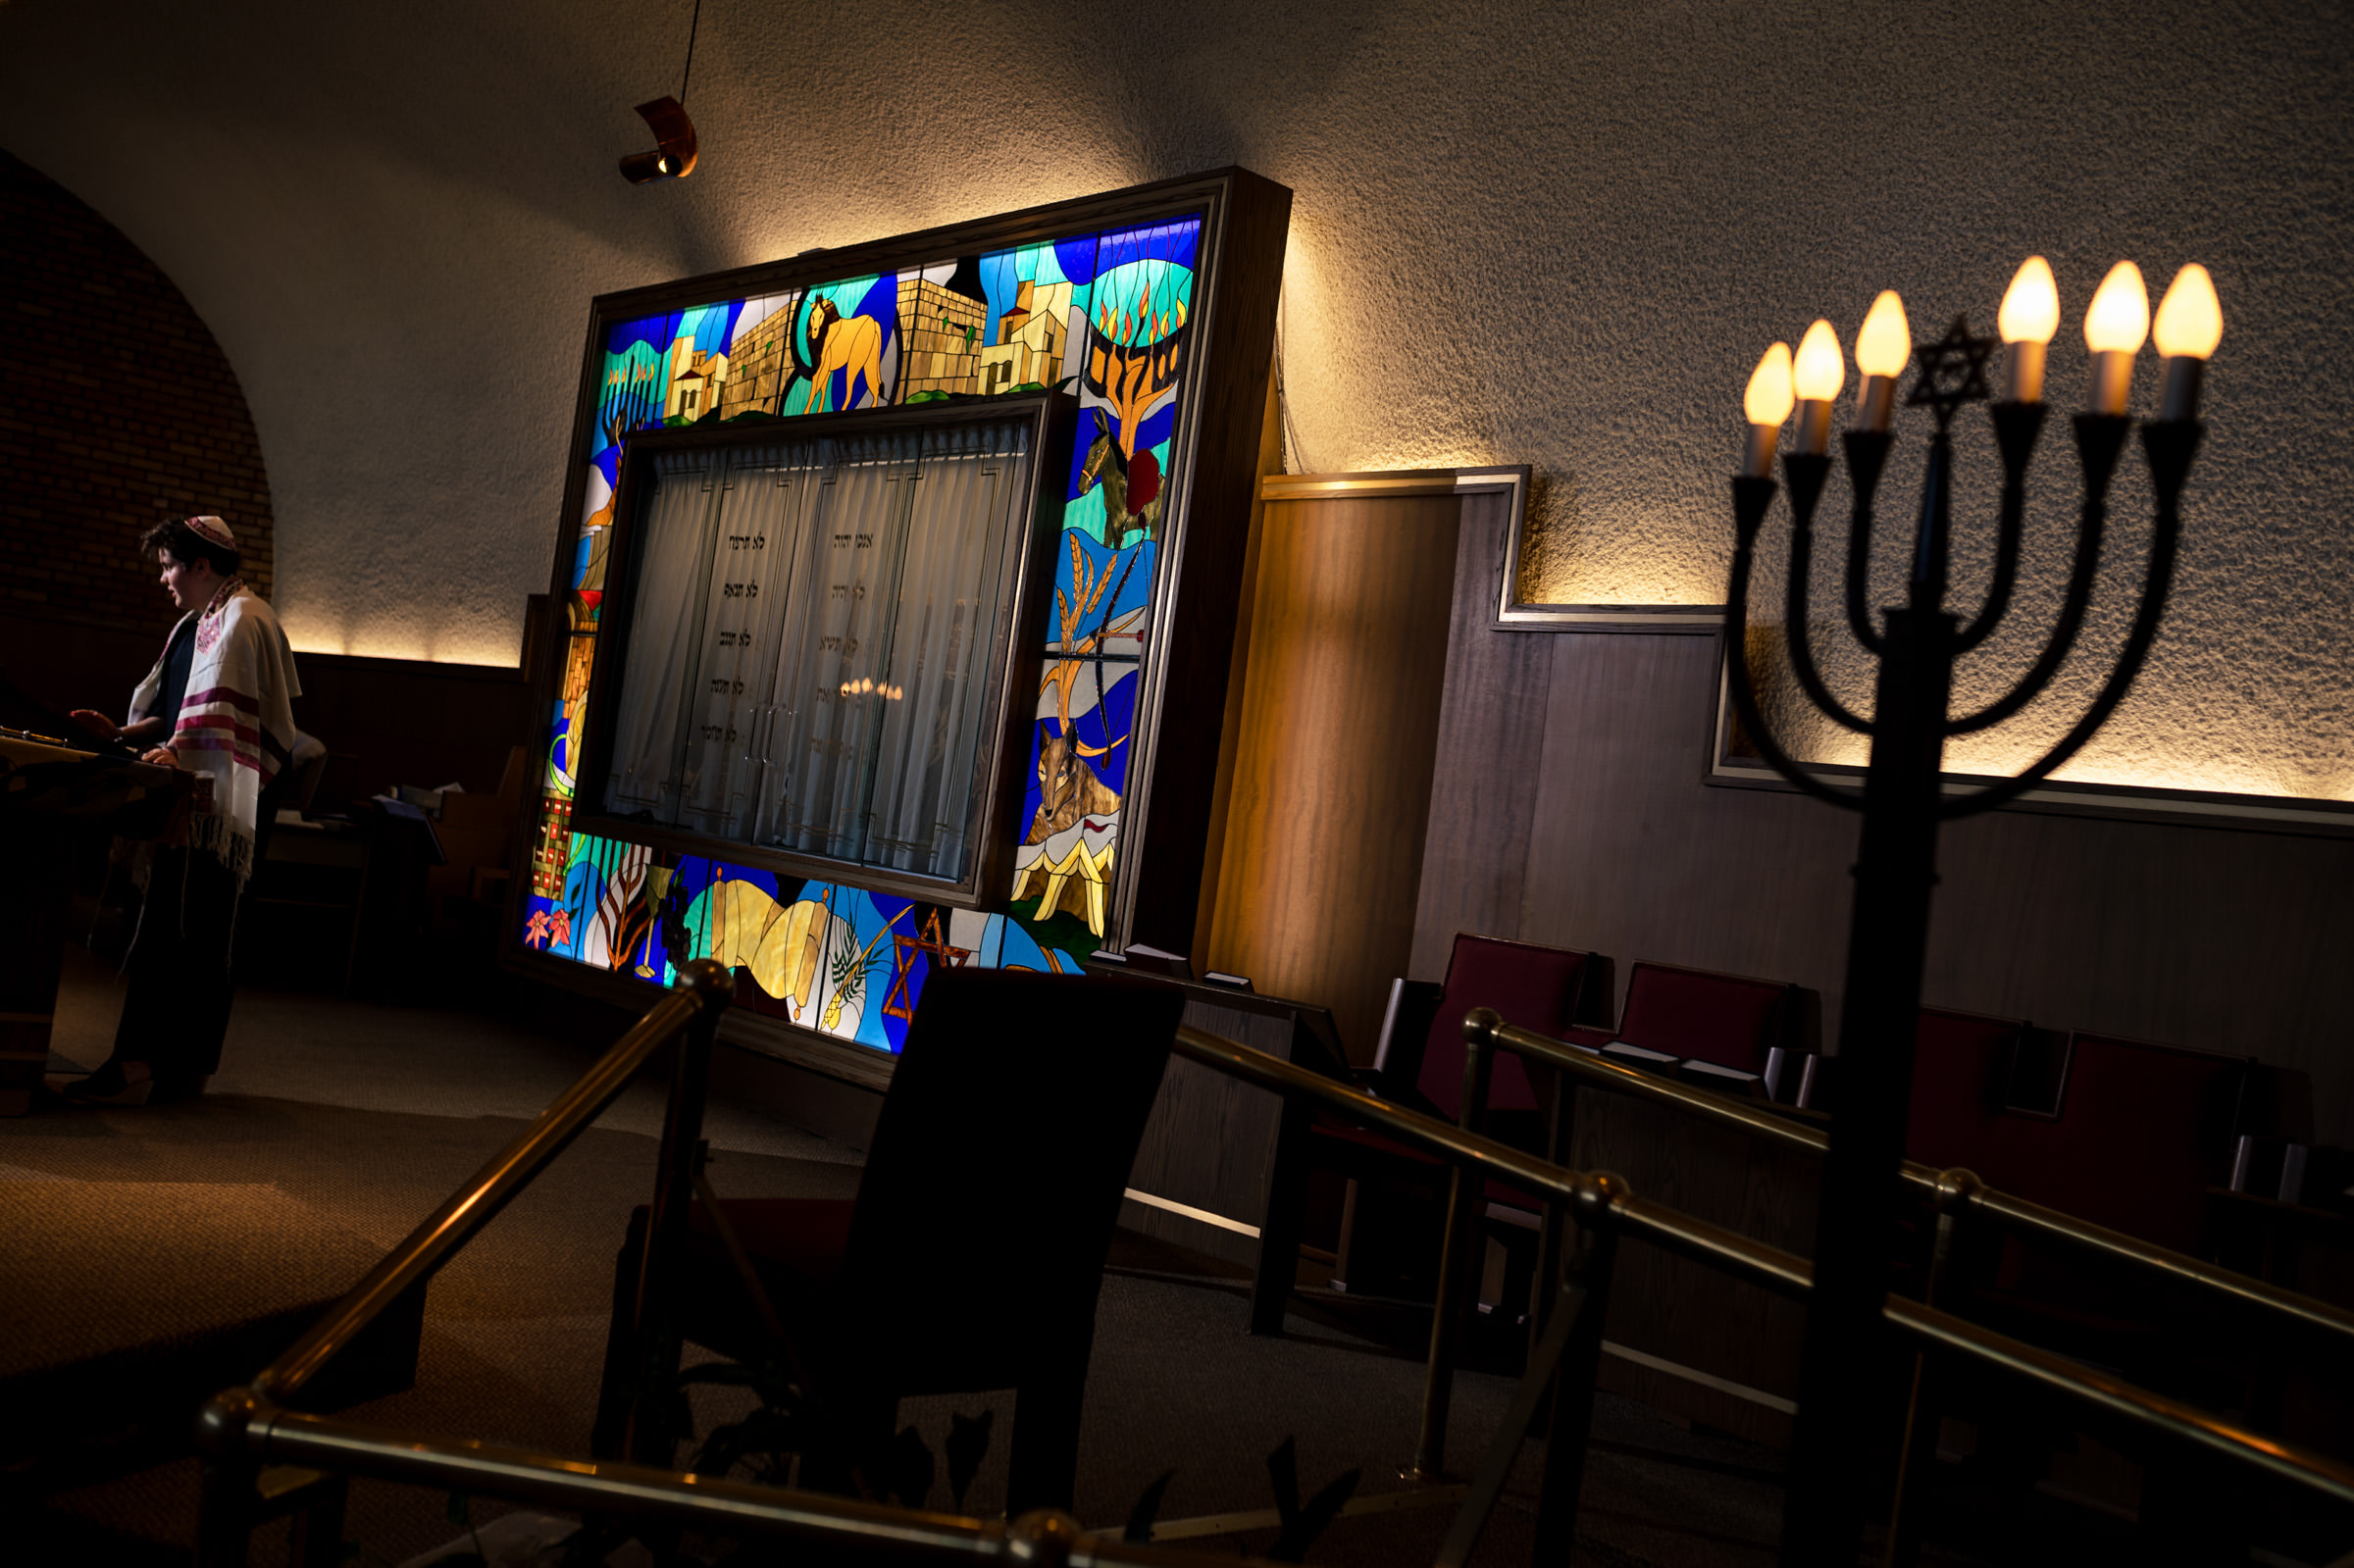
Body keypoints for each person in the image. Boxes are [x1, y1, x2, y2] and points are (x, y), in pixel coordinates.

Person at [65, 515, 301, 1104]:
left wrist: (177, 752)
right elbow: (176, 716)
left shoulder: (245, 619)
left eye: (169, 566)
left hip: (223, 806)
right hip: (189, 793)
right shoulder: (194, 625)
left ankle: (158, 1064)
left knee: (201, 931)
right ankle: (160, 1063)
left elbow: (236, 725)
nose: (164, 578)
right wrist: (122, 734)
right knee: (168, 928)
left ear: (201, 565)